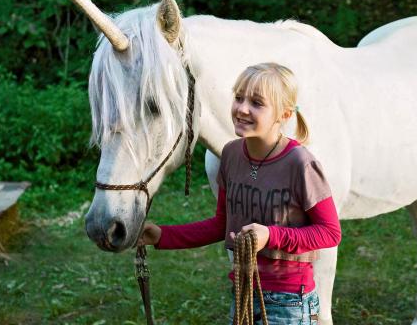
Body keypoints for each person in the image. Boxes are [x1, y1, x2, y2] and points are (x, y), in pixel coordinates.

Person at [138, 62, 341, 324]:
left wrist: (271, 235)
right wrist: (163, 236)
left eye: (257, 103)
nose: (242, 109)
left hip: (290, 301)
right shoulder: (231, 156)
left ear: (284, 114)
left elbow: (330, 232)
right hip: (243, 291)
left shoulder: (300, 165)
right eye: (238, 98)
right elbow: (221, 225)